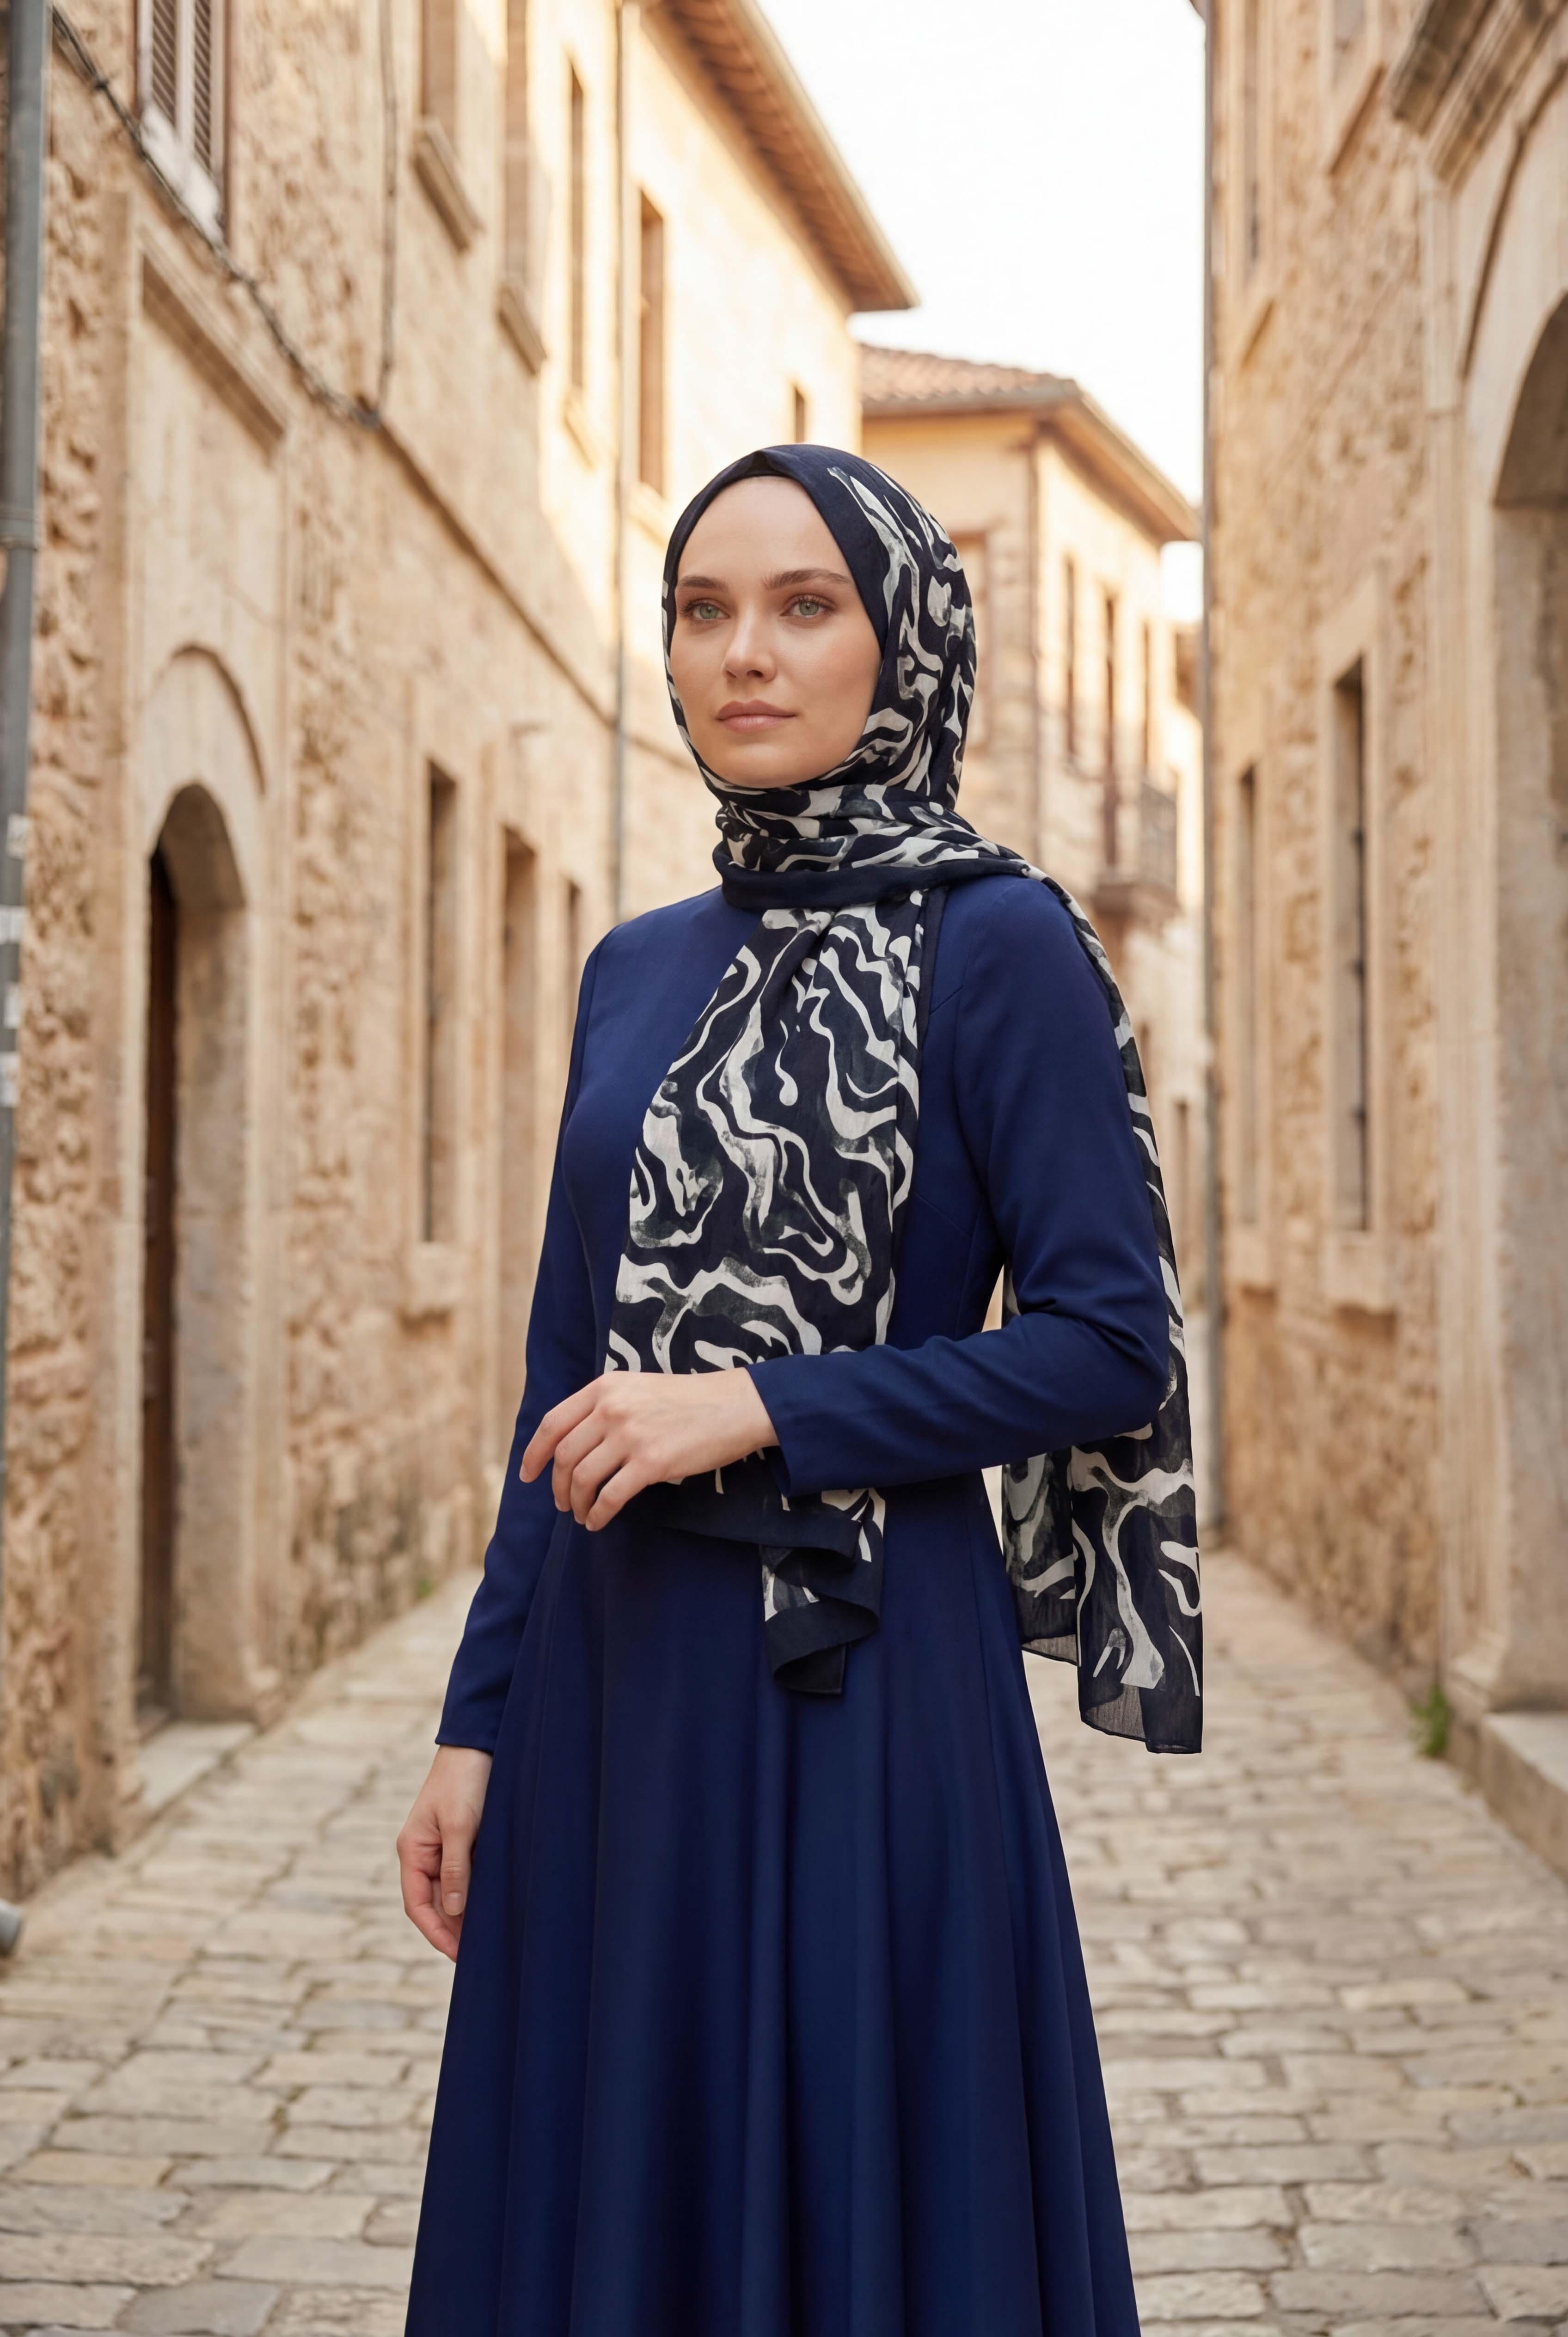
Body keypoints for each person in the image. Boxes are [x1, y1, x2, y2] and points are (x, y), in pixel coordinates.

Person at [398, 445, 1202, 2337]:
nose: (742, 653)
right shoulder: (631, 970)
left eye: (803, 605)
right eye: (703, 611)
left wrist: (766, 1403)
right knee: (623, 2200)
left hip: (866, 1691)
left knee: (868, 2203)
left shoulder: (999, 944)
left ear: (901, 640)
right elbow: (562, 1383)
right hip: (613, 1691)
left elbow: (1108, 1340)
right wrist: (476, 1723)